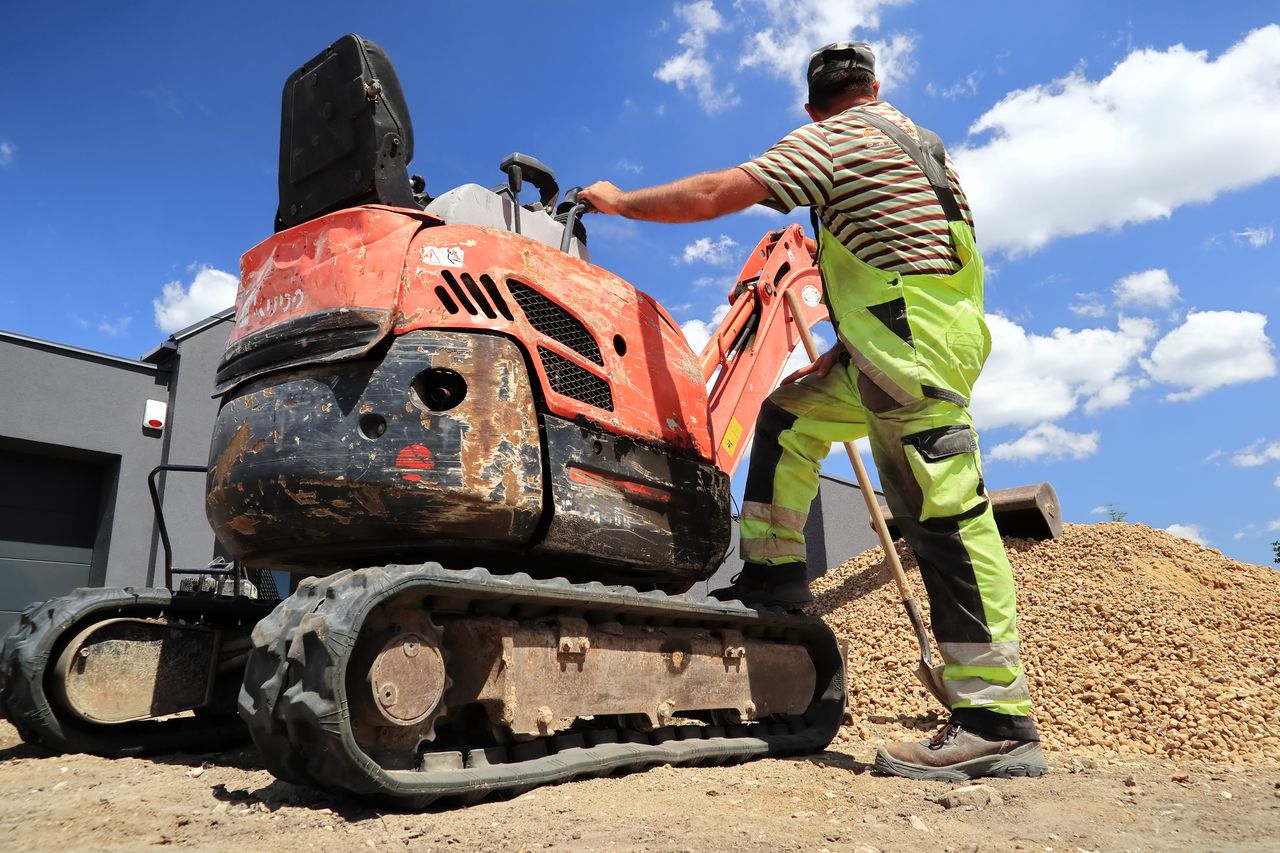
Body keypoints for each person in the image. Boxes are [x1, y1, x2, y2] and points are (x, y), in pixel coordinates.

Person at [580, 42, 1046, 781]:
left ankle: (996, 723)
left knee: (944, 517)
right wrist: (856, 348)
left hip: (908, 348)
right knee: (787, 416)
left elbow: (713, 194)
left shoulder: (836, 137)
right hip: (903, 339)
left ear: (811, 106)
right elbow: (914, 253)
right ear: (875, 84)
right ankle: (774, 575)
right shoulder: (921, 143)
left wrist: (618, 202)